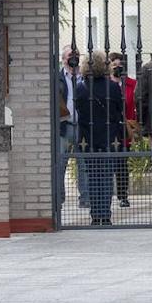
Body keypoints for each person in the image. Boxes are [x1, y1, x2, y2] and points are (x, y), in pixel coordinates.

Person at [74, 51, 125, 226]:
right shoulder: (112, 87)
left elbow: (79, 112)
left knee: (93, 176)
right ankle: (106, 214)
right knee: (107, 176)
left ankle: (95, 215)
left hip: (88, 137)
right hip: (110, 137)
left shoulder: (81, 88)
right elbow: (120, 109)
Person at [56, 45, 86, 208]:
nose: (73, 58)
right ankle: (58, 199)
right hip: (64, 126)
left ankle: (85, 199)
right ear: (63, 59)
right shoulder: (58, 78)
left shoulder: (85, 76)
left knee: (83, 164)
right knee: (61, 163)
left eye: (76, 55)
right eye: (69, 55)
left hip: (82, 126)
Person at [109, 52, 137, 208]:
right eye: (114, 65)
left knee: (122, 164)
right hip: (109, 128)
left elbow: (135, 103)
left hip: (125, 128)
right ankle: (105, 196)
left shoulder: (131, 84)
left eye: (120, 65)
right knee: (108, 163)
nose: (117, 68)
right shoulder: (105, 83)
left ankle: (122, 195)